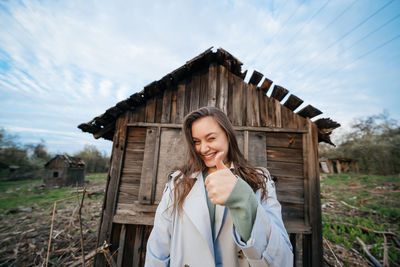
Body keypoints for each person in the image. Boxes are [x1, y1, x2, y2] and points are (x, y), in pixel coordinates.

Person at [145, 106, 293, 267]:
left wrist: (245, 201)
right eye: (196, 141)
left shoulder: (259, 180)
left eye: (211, 138)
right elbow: (158, 250)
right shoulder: (178, 183)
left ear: (228, 136)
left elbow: (283, 260)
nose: (203, 148)